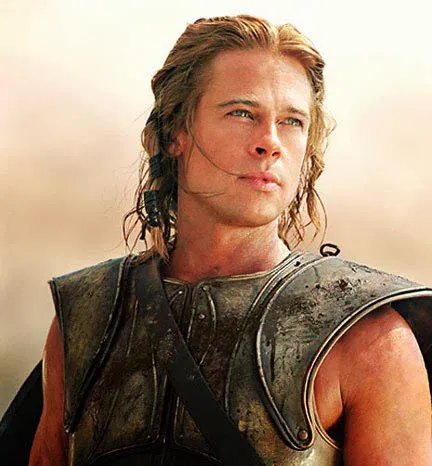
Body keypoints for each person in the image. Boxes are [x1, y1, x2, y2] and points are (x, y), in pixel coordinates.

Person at [6, 14, 431, 465]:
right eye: (242, 113)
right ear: (176, 132)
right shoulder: (88, 317)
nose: (270, 142)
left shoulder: (369, 339)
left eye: (291, 121)